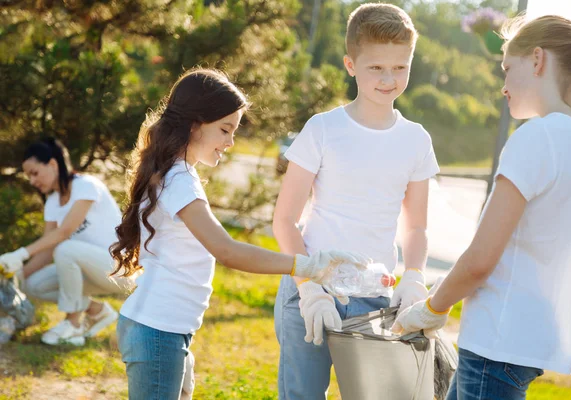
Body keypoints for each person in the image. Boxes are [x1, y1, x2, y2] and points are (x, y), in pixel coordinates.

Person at [110, 67, 371, 400]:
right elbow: (227, 250)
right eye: (224, 130)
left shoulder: (177, 174)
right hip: (158, 330)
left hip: (166, 330)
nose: (231, 142)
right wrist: (303, 266)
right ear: (194, 124)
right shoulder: (178, 181)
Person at [395, 14, 571, 400]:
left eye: (508, 68)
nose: (503, 85)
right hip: (530, 337)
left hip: (497, 339)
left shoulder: (536, 138)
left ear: (537, 59)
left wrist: (431, 308)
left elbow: (481, 261)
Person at [271, 3, 439, 399]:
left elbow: (416, 226)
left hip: (374, 297)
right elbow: (284, 220)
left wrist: (414, 276)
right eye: (375, 67)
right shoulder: (324, 128)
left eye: (400, 67)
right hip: (309, 293)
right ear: (350, 64)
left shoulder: (416, 140)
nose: (388, 78)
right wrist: (309, 289)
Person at [0, 138, 131, 346]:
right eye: (28, 176)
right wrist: (16, 275)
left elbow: (64, 232)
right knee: (34, 284)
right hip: (90, 270)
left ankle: (73, 325)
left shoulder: (86, 185)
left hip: (121, 268)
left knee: (66, 248)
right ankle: (98, 312)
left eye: (34, 173)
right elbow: (47, 248)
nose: (32, 181)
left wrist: (20, 254)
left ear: (52, 164)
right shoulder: (53, 202)